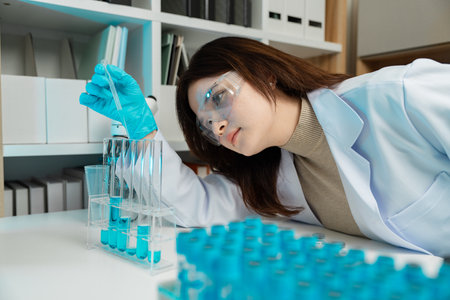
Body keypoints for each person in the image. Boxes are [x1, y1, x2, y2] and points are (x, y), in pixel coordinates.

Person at [80, 37, 450, 257]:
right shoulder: (268, 176)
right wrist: (141, 131)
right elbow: (195, 206)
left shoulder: (398, 96)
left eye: (218, 98)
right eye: (206, 125)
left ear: (264, 74)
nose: (218, 125)